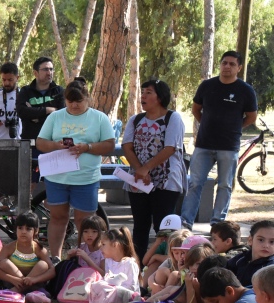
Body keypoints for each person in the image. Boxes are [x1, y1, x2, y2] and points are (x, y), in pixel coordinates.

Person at [35, 77, 116, 259]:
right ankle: (55, 257)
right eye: (70, 101)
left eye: (79, 101)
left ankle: (88, 258)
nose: (74, 105)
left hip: (86, 178)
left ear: (87, 99)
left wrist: (87, 147)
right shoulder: (55, 117)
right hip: (57, 178)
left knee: (86, 222)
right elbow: (40, 142)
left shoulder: (99, 118)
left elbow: (109, 145)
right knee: (58, 218)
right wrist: (56, 146)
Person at [181, 51, 258, 228]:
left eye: (232, 64)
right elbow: (196, 110)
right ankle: (186, 222)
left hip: (229, 146)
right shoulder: (207, 86)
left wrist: (233, 129)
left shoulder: (246, 90)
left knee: (224, 186)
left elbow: (251, 117)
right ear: (220, 65)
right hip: (204, 144)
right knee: (194, 184)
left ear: (239, 68)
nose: (227, 67)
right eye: (224, 63)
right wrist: (206, 125)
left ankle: (217, 224)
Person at [121, 79, 187, 262]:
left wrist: (146, 169)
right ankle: (137, 264)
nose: (143, 96)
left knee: (164, 227)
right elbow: (127, 146)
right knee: (140, 225)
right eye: (142, 92)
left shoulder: (173, 118)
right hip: (139, 180)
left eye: (148, 92)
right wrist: (140, 170)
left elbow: (171, 148)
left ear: (160, 97)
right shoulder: (136, 120)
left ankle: (166, 264)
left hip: (166, 181)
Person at [0, 211, 55, 303]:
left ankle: (21, 293)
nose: (23, 232)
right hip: (13, 284)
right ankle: (23, 292)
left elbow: (52, 271)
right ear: (16, 229)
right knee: (3, 263)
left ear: (35, 231)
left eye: (28, 229)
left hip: (34, 284)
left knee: (43, 264)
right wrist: (13, 279)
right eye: (20, 228)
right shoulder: (9, 247)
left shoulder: (40, 249)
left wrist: (34, 279)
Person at [18, 56, 65, 182]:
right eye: (45, 69)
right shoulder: (25, 91)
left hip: (52, 145)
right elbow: (22, 112)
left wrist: (35, 115)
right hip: (30, 146)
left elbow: (61, 115)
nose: (49, 72)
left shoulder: (59, 91)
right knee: (28, 184)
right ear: (35, 73)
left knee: (51, 185)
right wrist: (47, 110)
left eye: (51, 69)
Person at [226, 219, 274, 287]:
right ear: (250, 240)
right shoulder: (240, 259)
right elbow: (225, 274)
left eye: (272, 242)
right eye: (261, 240)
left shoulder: (271, 268)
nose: (266, 245)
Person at [99, 226, 141, 297]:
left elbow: (132, 287)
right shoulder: (108, 261)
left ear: (115, 244)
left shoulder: (129, 263)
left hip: (128, 300)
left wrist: (115, 290)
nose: (100, 248)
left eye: (103, 244)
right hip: (112, 297)